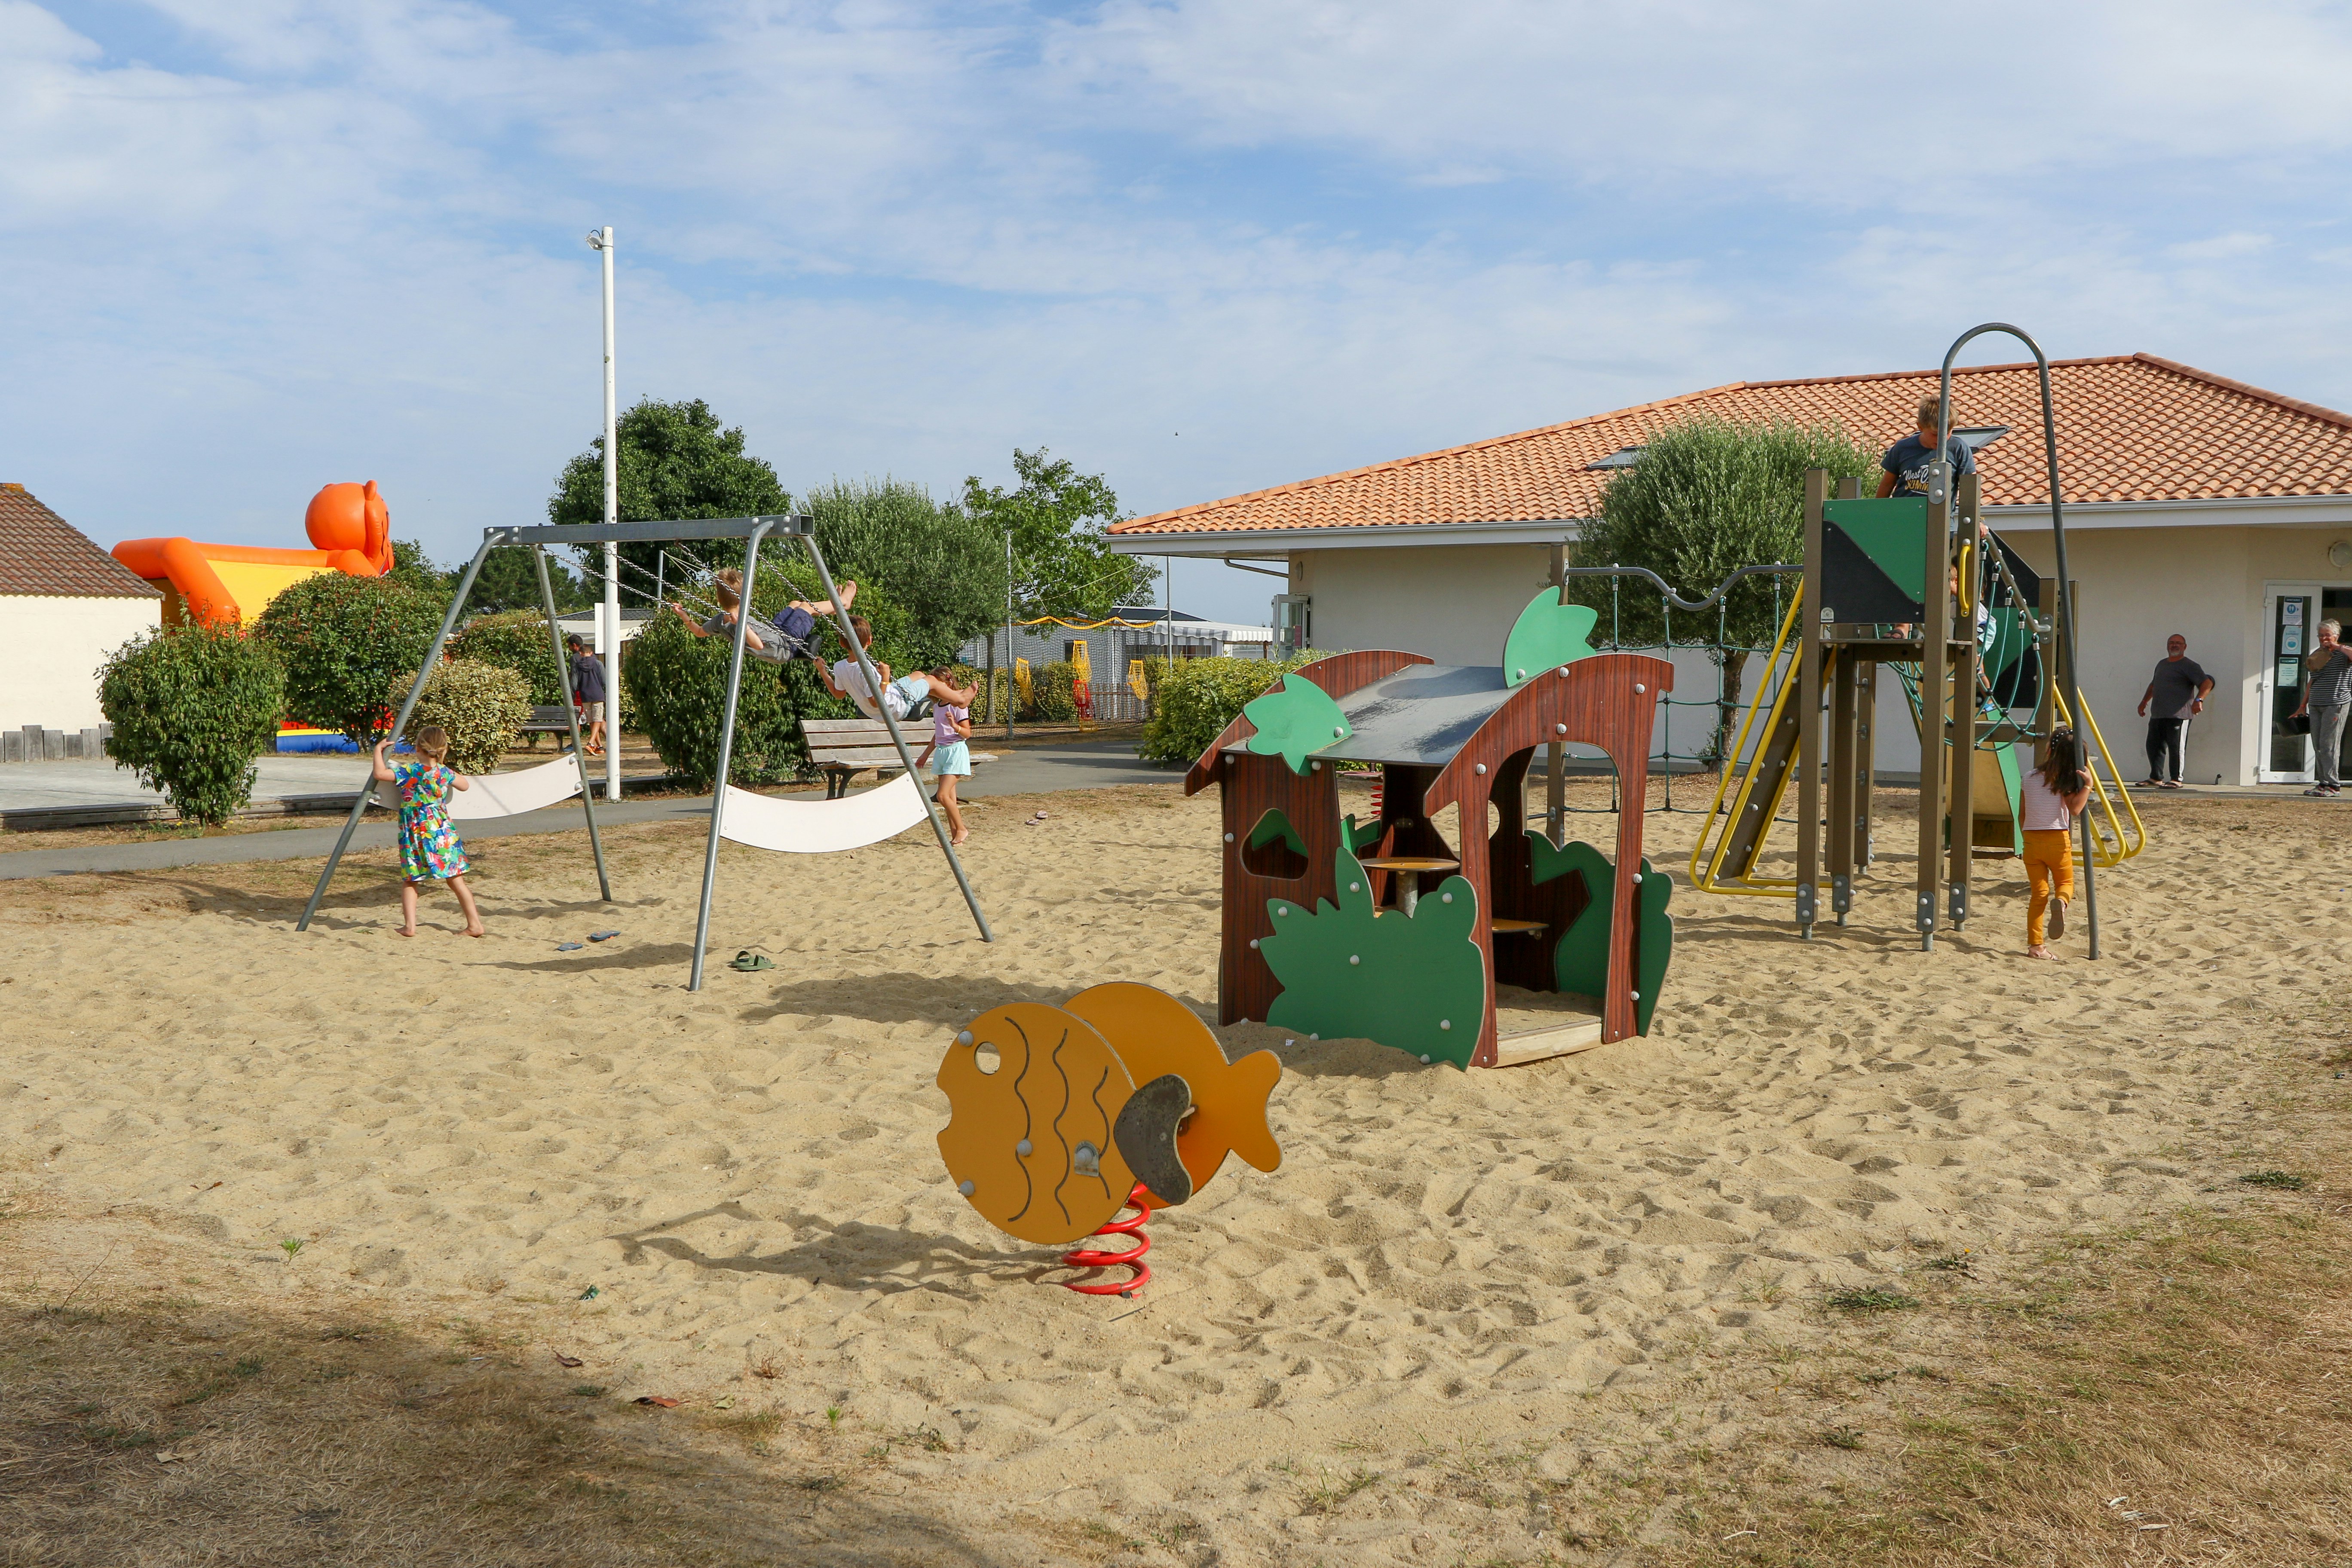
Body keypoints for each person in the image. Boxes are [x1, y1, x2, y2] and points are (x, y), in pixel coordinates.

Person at [372, 726, 484, 938]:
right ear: (442, 749)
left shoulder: (410, 771)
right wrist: (443, 769)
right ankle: (474, 924)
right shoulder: (444, 773)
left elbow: (379, 774)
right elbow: (465, 785)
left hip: (414, 832)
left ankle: (410, 927)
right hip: (441, 831)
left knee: (411, 879)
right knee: (456, 880)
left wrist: (378, 750)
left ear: (417, 748)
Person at [2019, 726, 2091, 960]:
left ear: (2050, 749)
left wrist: (2025, 837)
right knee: (2066, 883)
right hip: (2057, 837)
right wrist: (2088, 786)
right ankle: (2060, 903)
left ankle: (2036, 947)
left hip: (2031, 839)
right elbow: (2076, 809)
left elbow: (2022, 813)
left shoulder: (2029, 778)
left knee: (2038, 894)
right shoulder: (2064, 780)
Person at [821, 616, 977, 722]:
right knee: (930, 680)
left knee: (919, 675)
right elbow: (876, 702)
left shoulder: (839, 666)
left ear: (842, 643)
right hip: (895, 708)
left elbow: (838, 694)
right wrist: (885, 678)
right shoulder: (865, 669)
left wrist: (823, 672)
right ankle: (961, 700)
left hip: (884, 704)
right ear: (870, 640)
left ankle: (954, 695)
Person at [2134, 633, 2211, 788]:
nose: (2174, 645)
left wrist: (2199, 700)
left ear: (2185, 647)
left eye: (2178, 643)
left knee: (2176, 748)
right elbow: (2154, 685)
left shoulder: (2189, 666)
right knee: (2153, 746)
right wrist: (2144, 701)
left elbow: (2207, 682)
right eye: (2172, 643)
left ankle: (2176, 779)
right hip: (2158, 714)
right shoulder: (2162, 664)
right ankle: (2155, 778)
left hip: (2179, 715)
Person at [1878, 392, 1978, 499]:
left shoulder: (1959, 449)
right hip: (1902, 513)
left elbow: (1970, 490)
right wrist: (1876, 512)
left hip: (1940, 515)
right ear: (1920, 427)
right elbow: (1887, 485)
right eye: (1935, 434)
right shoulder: (1902, 448)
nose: (1942, 440)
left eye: (1948, 433)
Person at [2293, 618, 2352, 797]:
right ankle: (2323, 783)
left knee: (2329, 746)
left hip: (2335, 703)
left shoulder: (2344, 653)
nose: (2324, 639)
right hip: (2316, 704)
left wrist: (2338, 646)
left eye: (2328, 635)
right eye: (2321, 636)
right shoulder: (2318, 655)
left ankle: (2334, 786)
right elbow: (2313, 681)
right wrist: (2303, 705)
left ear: (2336, 635)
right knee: (2318, 745)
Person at [927, 670, 973, 845]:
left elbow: (967, 733)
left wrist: (955, 726)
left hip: (955, 751)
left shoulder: (958, 706)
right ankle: (956, 838)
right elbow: (937, 734)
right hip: (942, 752)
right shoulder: (937, 707)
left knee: (943, 796)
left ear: (948, 684)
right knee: (950, 799)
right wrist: (925, 756)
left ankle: (962, 829)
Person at [565, 634, 608, 757]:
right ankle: (592, 743)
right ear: (591, 652)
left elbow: (574, 681)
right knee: (598, 719)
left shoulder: (577, 663)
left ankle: (597, 746)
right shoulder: (597, 662)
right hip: (597, 694)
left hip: (584, 694)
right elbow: (604, 681)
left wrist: (573, 693)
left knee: (590, 720)